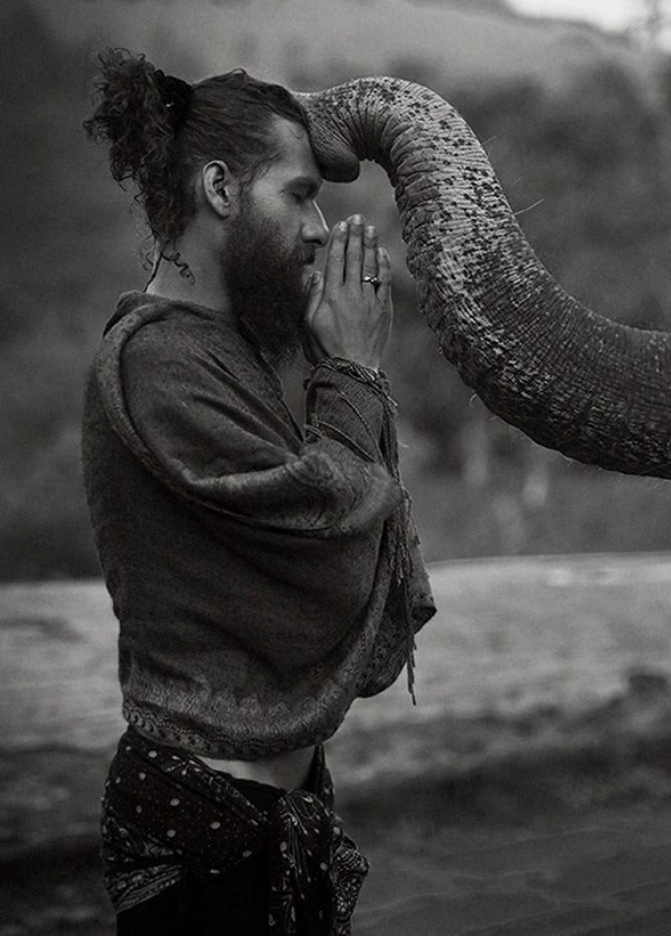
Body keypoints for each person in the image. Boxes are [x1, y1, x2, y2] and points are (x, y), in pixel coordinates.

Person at [80, 48, 435, 935]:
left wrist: (335, 366)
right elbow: (324, 534)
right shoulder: (158, 358)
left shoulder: (222, 350)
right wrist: (352, 368)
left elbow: (337, 513)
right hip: (203, 834)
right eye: (300, 192)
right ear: (221, 189)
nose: (321, 227)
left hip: (269, 817)